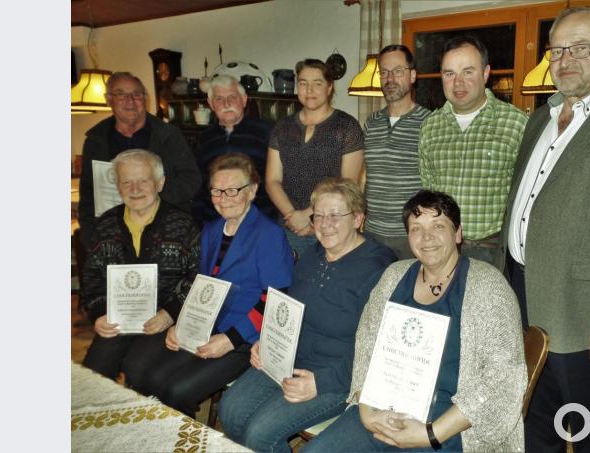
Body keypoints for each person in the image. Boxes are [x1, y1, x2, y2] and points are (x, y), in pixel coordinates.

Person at [496, 7, 590, 452]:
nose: (565, 60)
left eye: (581, 47)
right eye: (557, 50)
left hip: (586, 319)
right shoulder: (540, 117)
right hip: (524, 300)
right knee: (534, 428)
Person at [307, 190, 526, 452]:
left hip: (451, 426)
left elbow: (503, 379)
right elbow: (366, 347)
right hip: (382, 410)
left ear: (458, 233)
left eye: (438, 226)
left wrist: (430, 434)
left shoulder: (488, 286)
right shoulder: (393, 276)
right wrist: (366, 413)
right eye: (416, 228)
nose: (427, 237)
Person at [219, 178, 396, 453]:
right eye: (319, 216)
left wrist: (320, 383)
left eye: (335, 215)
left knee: (259, 434)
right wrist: (268, 340)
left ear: (358, 219)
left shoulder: (380, 269)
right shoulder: (312, 255)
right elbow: (289, 309)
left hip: (337, 377)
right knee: (229, 411)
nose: (325, 224)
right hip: (289, 358)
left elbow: (378, 349)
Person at [122, 152, 294, 417]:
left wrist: (230, 339)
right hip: (205, 325)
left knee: (176, 391)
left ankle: (180, 434)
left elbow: (276, 300)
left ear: (252, 191)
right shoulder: (212, 229)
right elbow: (201, 286)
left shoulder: (269, 235)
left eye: (233, 190)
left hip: (244, 338)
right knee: (147, 375)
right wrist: (183, 323)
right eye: (216, 191)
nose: (224, 199)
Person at [81, 149, 200, 381]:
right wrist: (99, 313)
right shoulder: (105, 225)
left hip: (165, 321)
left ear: (160, 183)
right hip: (118, 320)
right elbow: (92, 276)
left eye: (143, 181)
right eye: (126, 182)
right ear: (118, 186)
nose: (135, 189)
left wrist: (171, 313)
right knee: (94, 372)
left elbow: (198, 277)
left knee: (138, 369)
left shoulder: (184, 225)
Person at [418, 36, 527, 267]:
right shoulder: (430, 127)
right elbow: (428, 190)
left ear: (485, 73)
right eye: (449, 73)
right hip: (440, 248)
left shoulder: (516, 123)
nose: (458, 83)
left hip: (492, 251)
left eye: (468, 72)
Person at [78, 72, 201, 249]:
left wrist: (149, 196)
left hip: (166, 231)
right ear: (109, 99)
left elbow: (192, 180)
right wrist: (90, 236)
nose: (130, 100)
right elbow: (88, 193)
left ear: (145, 98)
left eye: (136, 94)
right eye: (121, 94)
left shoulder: (169, 135)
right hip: (113, 236)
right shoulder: (96, 140)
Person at [265, 59, 364, 257]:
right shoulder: (282, 127)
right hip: (288, 226)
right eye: (303, 83)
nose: (309, 90)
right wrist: (292, 217)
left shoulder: (347, 127)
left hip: (331, 226)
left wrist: (309, 215)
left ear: (329, 88)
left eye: (317, 83)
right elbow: (272, 180)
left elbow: (348, 185)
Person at [362, 44, 431, 260]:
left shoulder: (430, 122)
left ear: (412, 76)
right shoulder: (371, 122)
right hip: (371, 233)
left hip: (411, 234)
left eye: (398, 71)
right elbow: (365, 174)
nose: (390, 78)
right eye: (384, 72)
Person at [193, 75, 277, 224]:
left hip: (259, 220)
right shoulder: (204, 139)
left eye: (232, 97)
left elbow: (278, 180)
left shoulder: (266, 133)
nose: (226, 103)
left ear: (244, 100)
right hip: (215, 220)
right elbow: (200, 184)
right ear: (211, 104)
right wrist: (199, 221)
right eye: (219, 99)